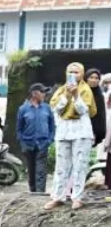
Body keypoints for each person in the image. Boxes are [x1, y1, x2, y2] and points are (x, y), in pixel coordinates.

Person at [45, 63, 97, 211]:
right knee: (61, 166)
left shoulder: (86, 90)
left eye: (77, 72)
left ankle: (77, 198)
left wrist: (75, 95)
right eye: (71, 72)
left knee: (80, 165)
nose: (73, 74)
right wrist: (67, 95)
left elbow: (83, 110)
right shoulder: (61, 90)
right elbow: (55, 109)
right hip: (63, 131)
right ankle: (58, 197)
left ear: (82, 74)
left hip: (81, 131)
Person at [17, 84, 56, 193]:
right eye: (42, 92)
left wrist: (50, 140)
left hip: (43, 143)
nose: (44, 94)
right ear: (34, 93)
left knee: (41, 169)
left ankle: (40, 192)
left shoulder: (47, 108)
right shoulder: (23, 109)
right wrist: (22, 142)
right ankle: (33, 191)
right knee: (31, 169)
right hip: (28, 143)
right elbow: (19, 128)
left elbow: (52, 126)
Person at [85, 68, 106, 147]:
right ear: (86, 78)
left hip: (93, 130)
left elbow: (100, 116)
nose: (94, 80)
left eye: (96, 78)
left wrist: (95, 132)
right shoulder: (81, 92)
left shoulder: (99, 95)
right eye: (91, 77)